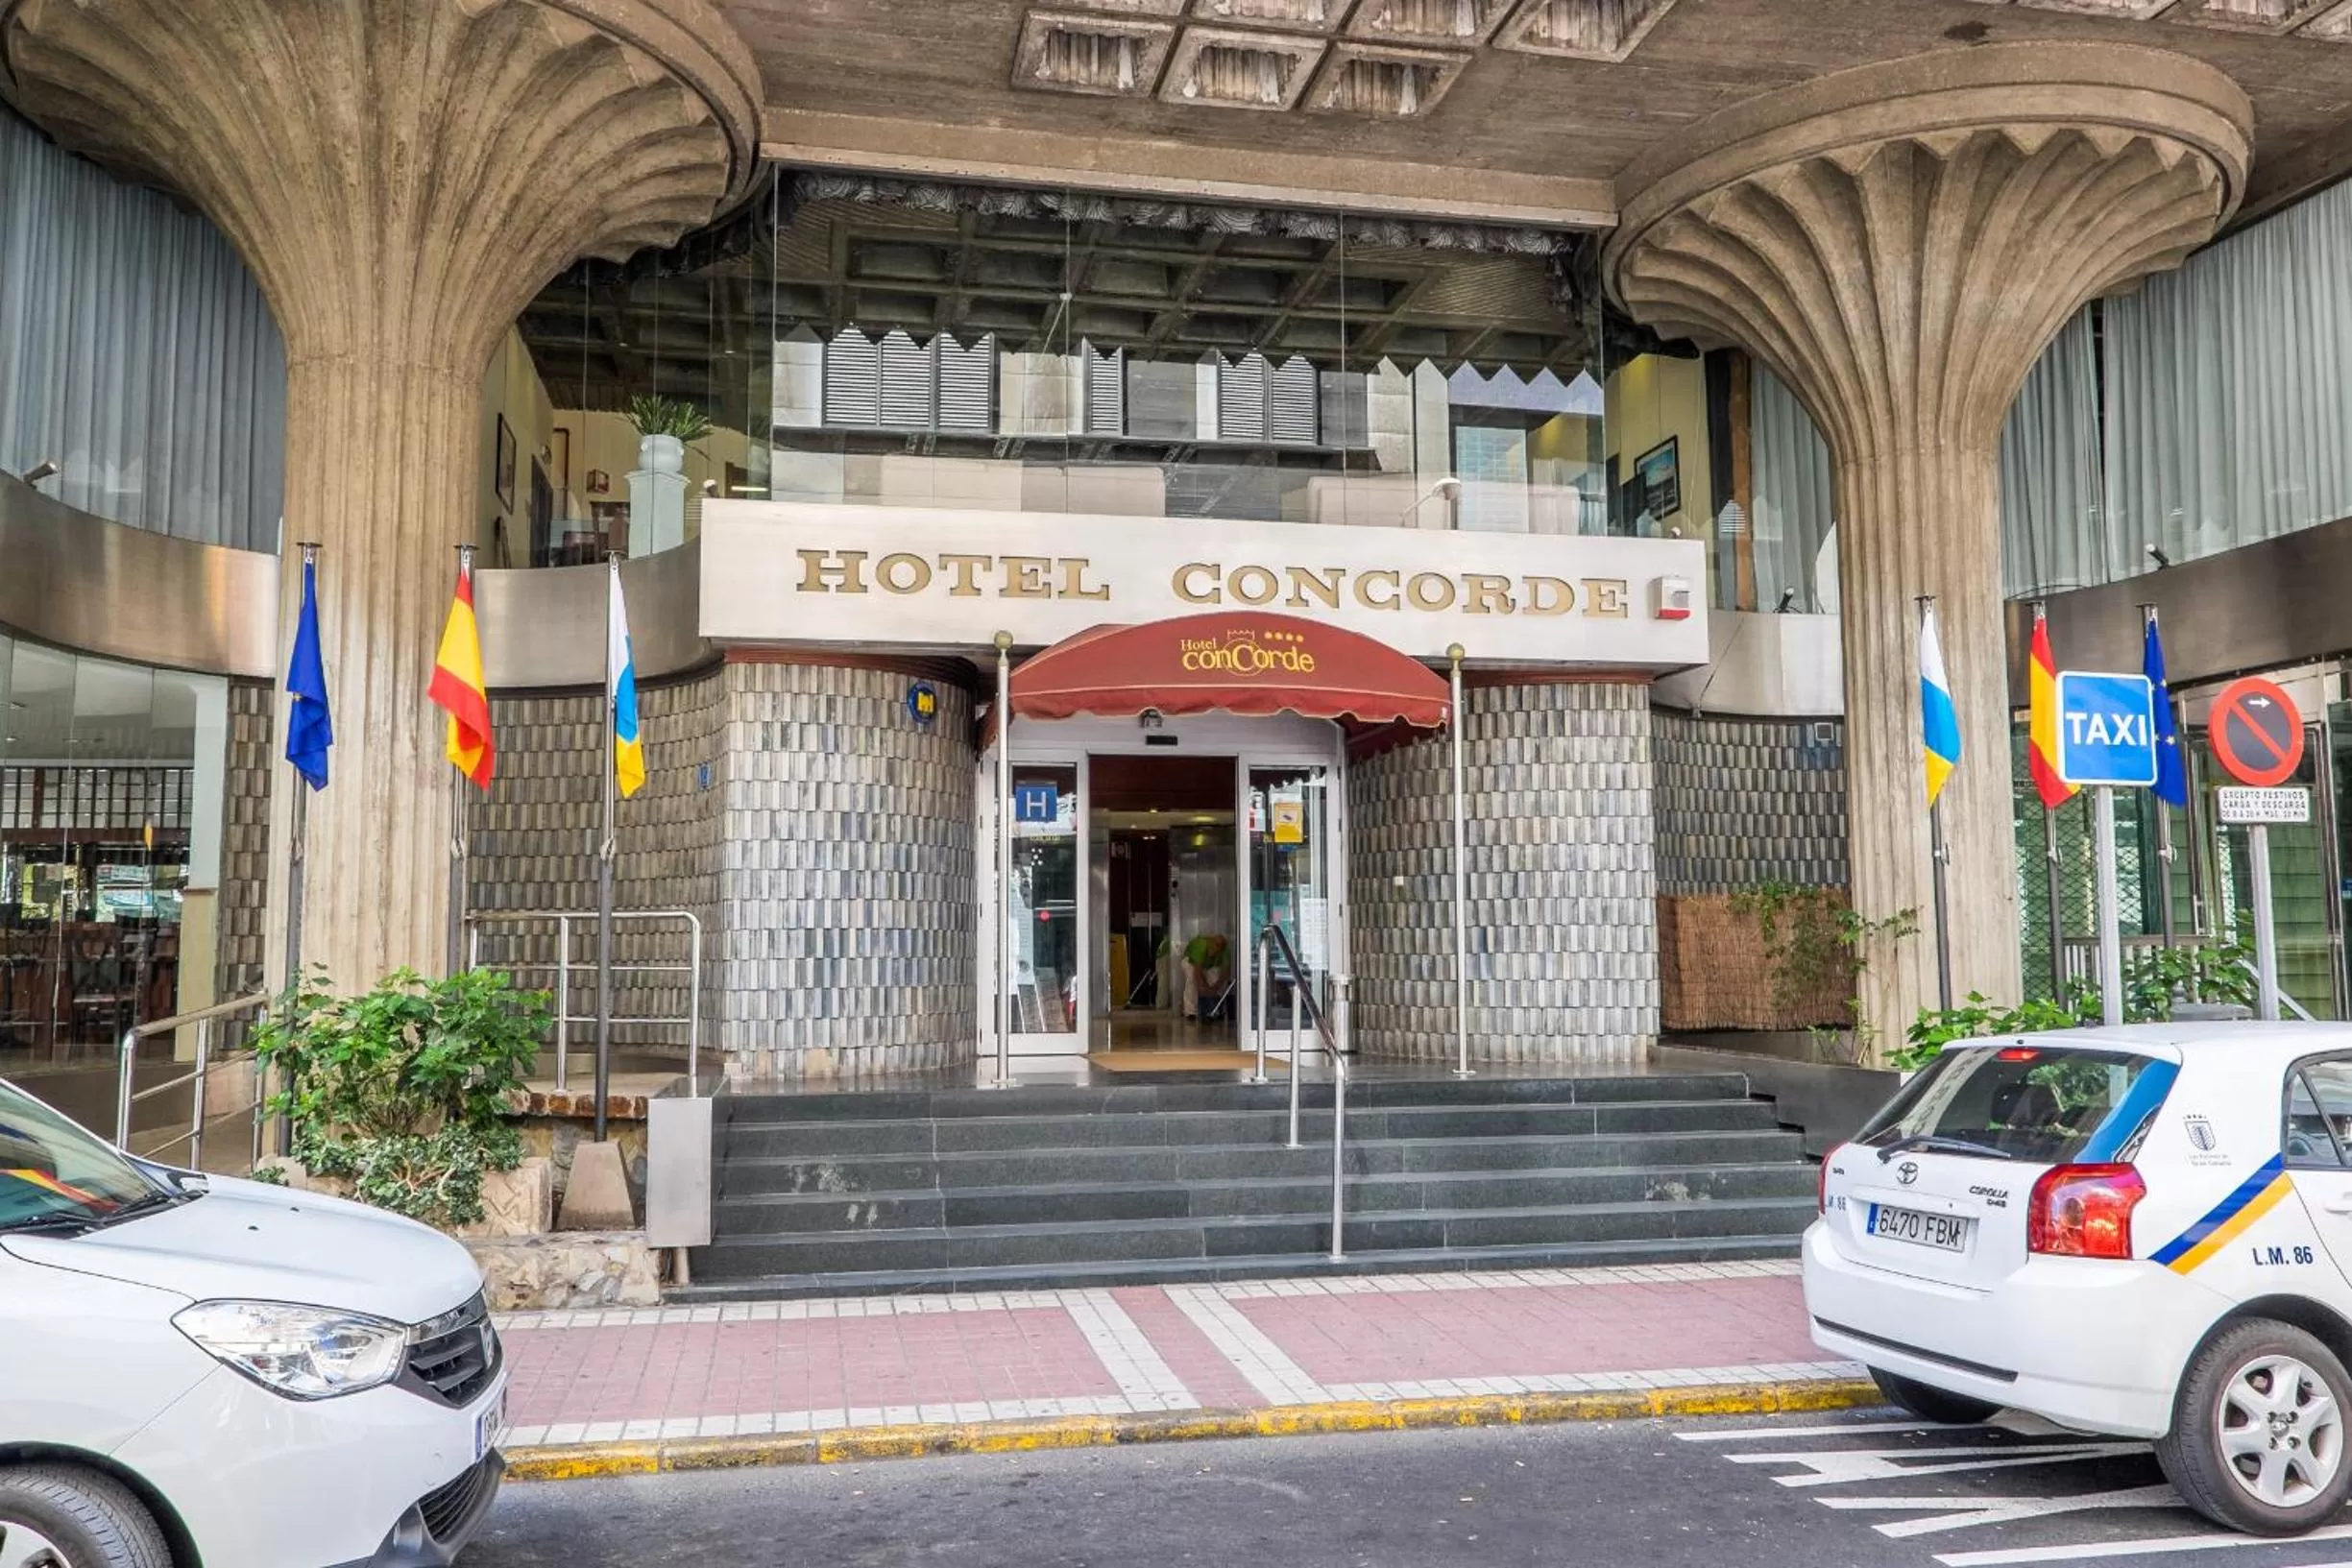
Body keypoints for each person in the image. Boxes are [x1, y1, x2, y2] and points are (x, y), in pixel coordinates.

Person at [1181, 931, 1229, 1024]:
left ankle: (1216, 1009)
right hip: (1190, 961)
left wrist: (1216, 986)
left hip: (1209, 965)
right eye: (1214, 947)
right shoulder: (1200, 945)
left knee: (1215, 981)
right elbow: (1197, 971)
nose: (1215, 950)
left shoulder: (1225, 950)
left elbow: (1226, 971)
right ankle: (1190, 1012)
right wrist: (1204, 987)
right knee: (1192, 981)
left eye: (1218, 949)